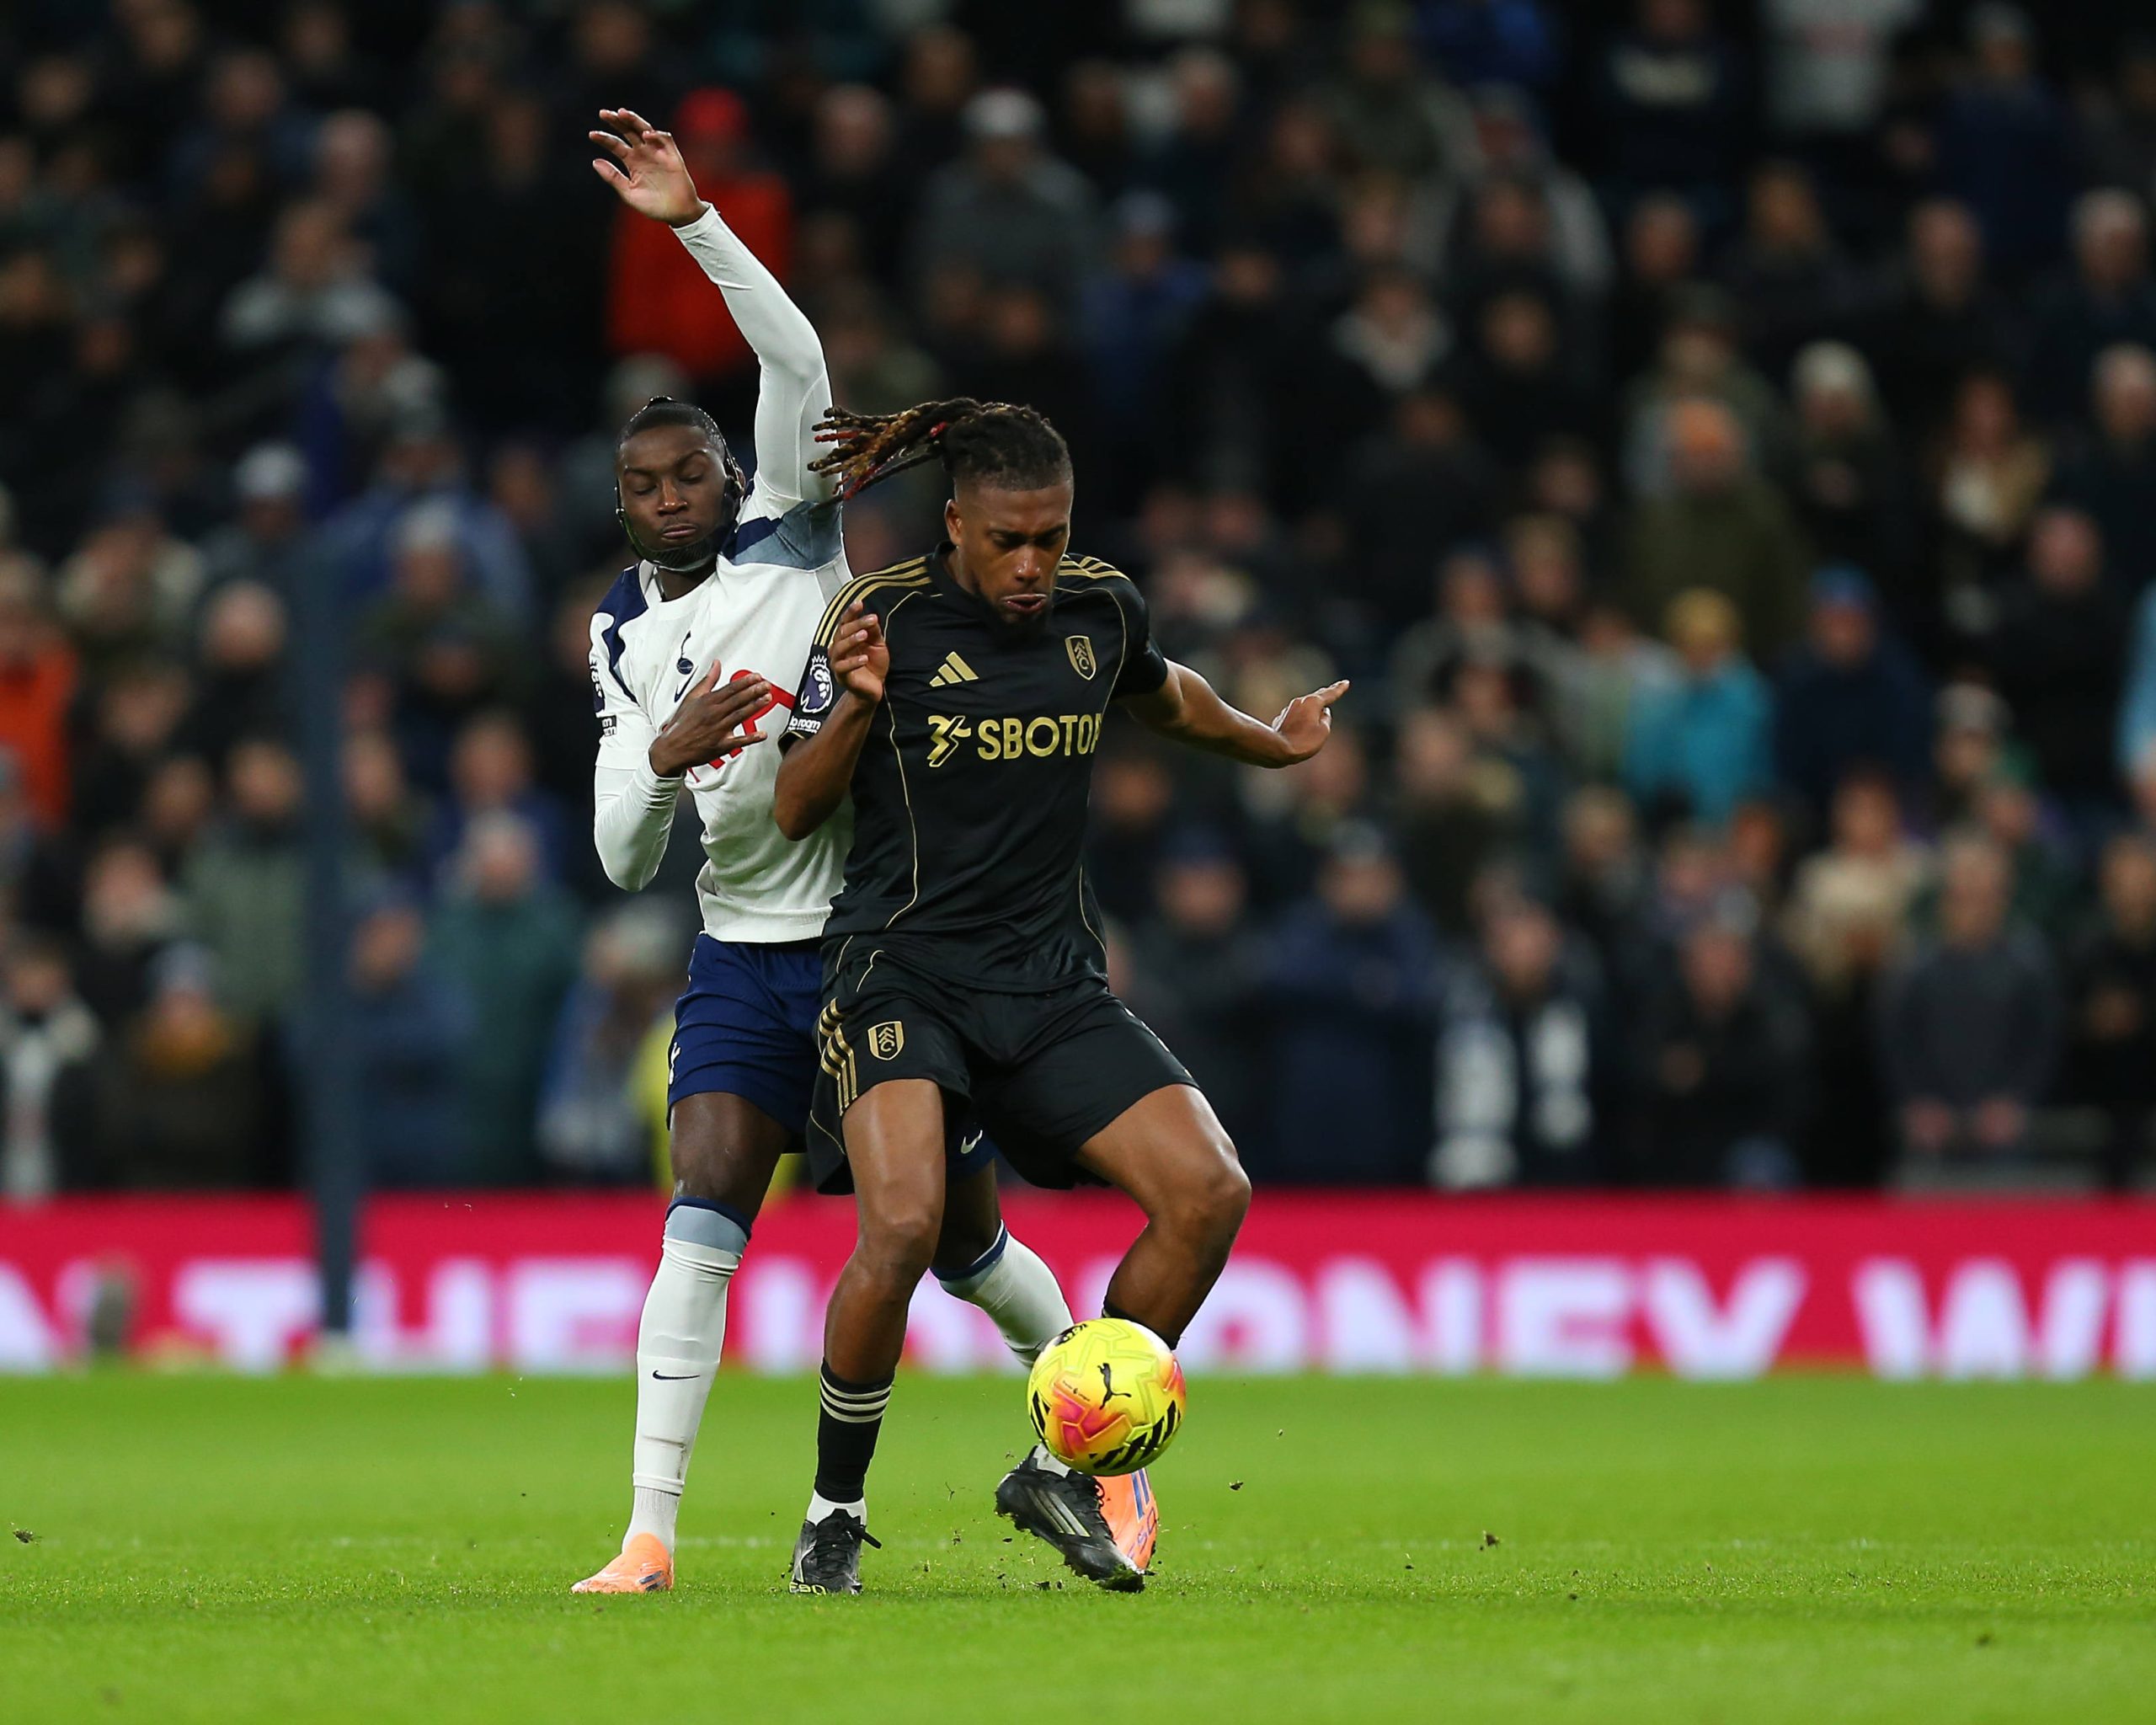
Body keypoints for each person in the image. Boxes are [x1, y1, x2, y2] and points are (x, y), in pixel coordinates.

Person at [571, 112, 1077, 1597]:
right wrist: (660, 766)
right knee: (702, 1213)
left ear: (735, 472)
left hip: (879, 949)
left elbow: (794, 355)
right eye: (649, 486)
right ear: (624, 504)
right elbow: (614, 859)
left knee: (969, 1244)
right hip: (739, 951)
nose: (676, 498)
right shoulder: (619, 635)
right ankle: (649, 1536)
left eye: (694, 473)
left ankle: (1098, 1442)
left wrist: (691, 222)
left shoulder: (794, 538)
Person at [771, 398, 1345, 1594]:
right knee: (906, 1226)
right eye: (1008, 540)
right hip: (903, 968)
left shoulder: (1099, 605)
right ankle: (833, 1511)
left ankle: (1055, 1465)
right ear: (956, 526)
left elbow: (1165, 689)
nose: (1033, 563)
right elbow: (793, 805)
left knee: (1209, 1194)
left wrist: (1266, 742)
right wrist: (862, 707)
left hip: (1047, 980)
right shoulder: (881, 621)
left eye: (1051, 534)